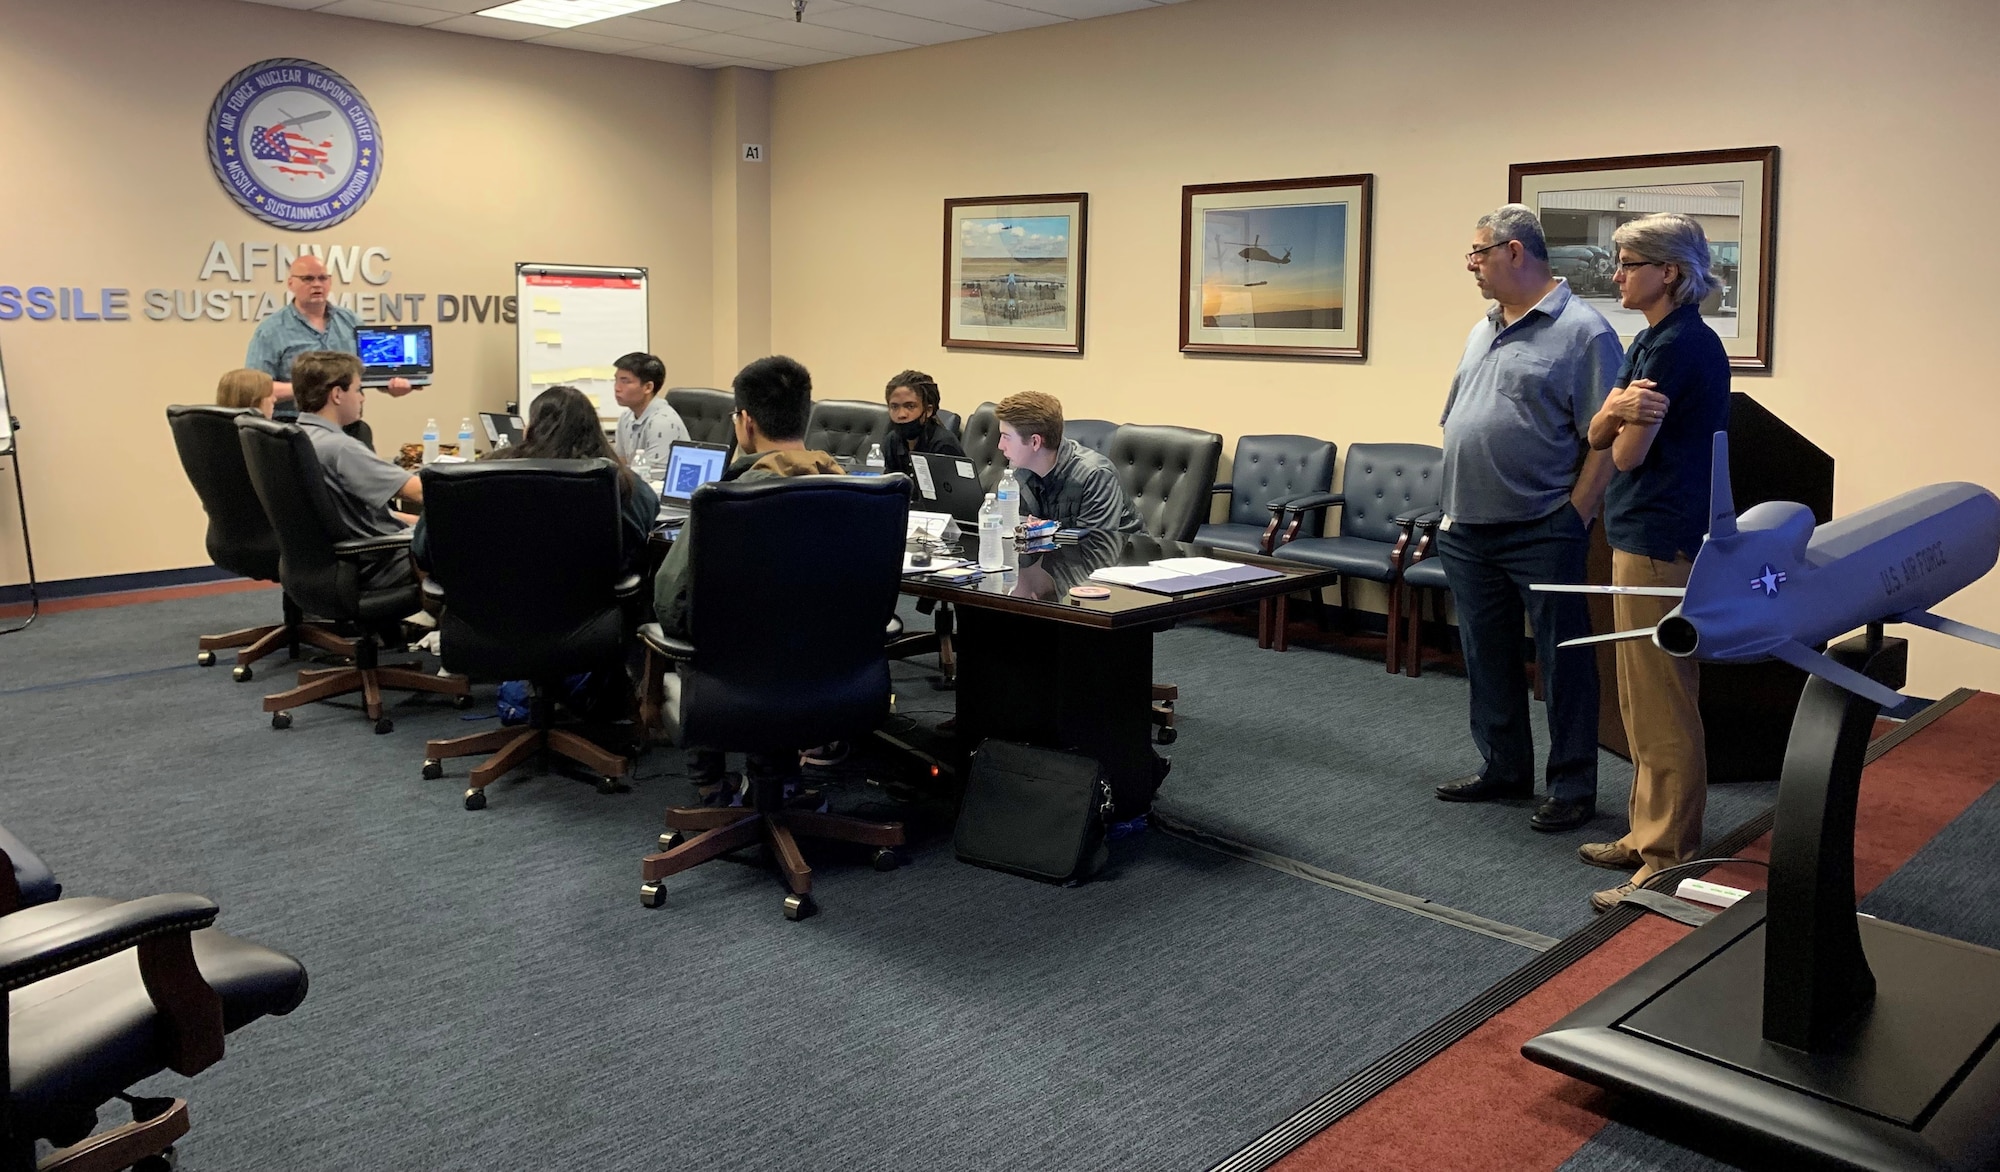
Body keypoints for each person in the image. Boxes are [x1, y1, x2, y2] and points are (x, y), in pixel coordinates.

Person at [1432, 205, 1621, 833]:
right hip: (1467, 526)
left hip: (1542, 526)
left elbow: (1606, 440)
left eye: (1478, 253)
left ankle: (1572, 785)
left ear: (1516, 252)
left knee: (1564, 661)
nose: (1470, 265)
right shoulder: (1482, 327)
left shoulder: (1584, 333)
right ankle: (1503, 767)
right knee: (1486, 655)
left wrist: (1577, 513)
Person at [1577, 213, 1732, 913]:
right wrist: (1612, 411)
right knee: (1637, 695)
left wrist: (1612, 420)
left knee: (1664, 698)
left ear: (1668, 272)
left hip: (1662, 540)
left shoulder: (1679, 347)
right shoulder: (1650, 340)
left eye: (1628, 262)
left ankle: (1668, 858)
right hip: (1635, 532)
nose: (1616, 275)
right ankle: (1646, 834)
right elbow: (1596, 431)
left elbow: (1626, 453)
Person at [653, 355, 843, 806]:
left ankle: (712, 788)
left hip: (735, 680)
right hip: (832, 673)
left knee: (690, 637)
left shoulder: (724, 500)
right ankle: (781, 776)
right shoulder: (855, 490)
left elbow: (671, 601)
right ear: (806, 415)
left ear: (745, 422)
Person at [410, 385, 660, 577]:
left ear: (531, 429)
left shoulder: (479, 474)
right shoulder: (622, 482)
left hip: (484, 618)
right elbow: (641, 543)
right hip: (591, 622)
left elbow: (423, 549)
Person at [288, 350, 421, 590]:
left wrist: (417, 521)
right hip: (380, 563)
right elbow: (420, 492)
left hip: (332, 564)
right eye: (359, 389)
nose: (362, 398)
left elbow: (352, 516)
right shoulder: (341, 449)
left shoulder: (298, 438)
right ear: (337, 394)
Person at [245, 255, 420, 405]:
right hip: (295, 424)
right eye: (308, 279)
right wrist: (312, 388)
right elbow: (256, 387)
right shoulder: (271, 330)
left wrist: (392, 386)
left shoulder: (351, 322)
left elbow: (371, 372)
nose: (317, 285)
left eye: (322, 278)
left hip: (347, 424)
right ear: (291, 284)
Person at [994, 390, 1139, 533]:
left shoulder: (1096, 476)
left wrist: (1047, 531)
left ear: (1035, 442)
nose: (1000, 446)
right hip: (1054, 553)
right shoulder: (1019, 471)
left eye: (1006, 437)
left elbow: (1095, 547)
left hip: (1131, 554)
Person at [611, 352, 689, 468]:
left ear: (648, 387)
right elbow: (621, 462)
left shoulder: (662, 423)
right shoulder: (626, 417)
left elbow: (654, 476)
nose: (617, 388)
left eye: (625, 381)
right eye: (616, 380)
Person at [882, 369, 965, 476]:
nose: (901, 414)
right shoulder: (892, 440)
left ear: (928, 410)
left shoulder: (944, 445)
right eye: (894, 407)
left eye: (910, 406)